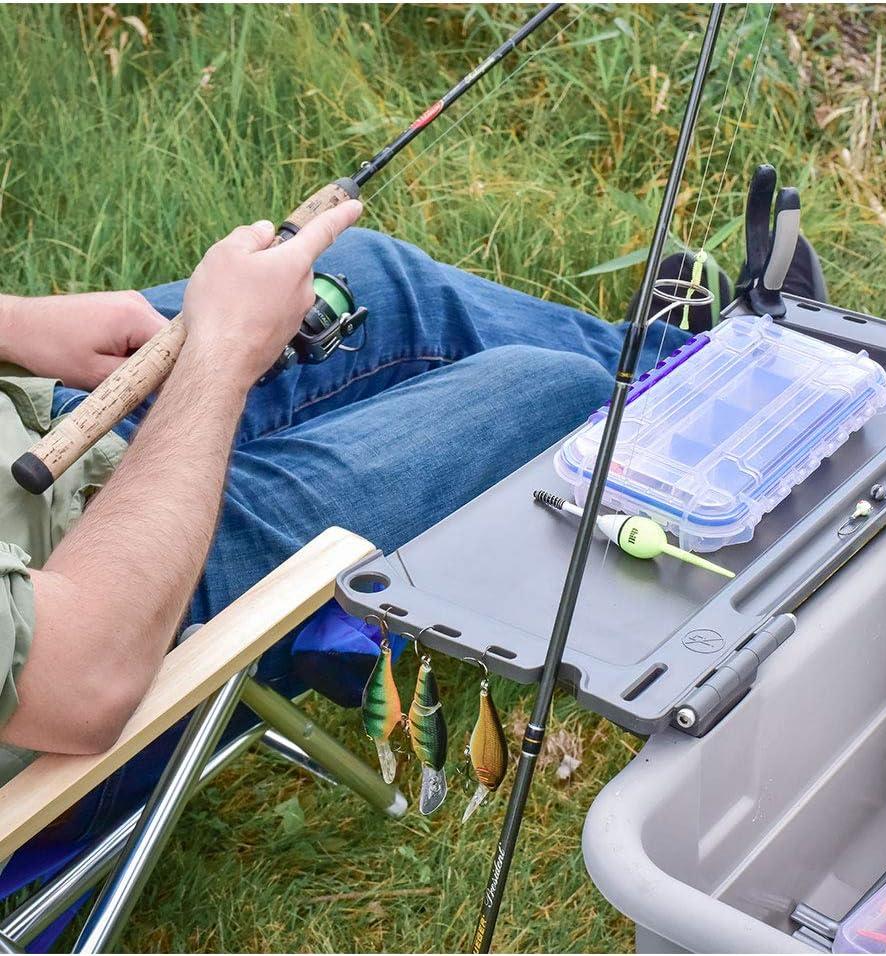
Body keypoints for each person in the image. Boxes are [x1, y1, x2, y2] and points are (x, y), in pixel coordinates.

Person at [0, 198, 826, 790]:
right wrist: (219, 352)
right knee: (547, 393)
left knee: (370, 279)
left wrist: (18, 329)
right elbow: (80, 679)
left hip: (44, 442)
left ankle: (692, 367)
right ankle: (726, 420)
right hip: (120, 598)